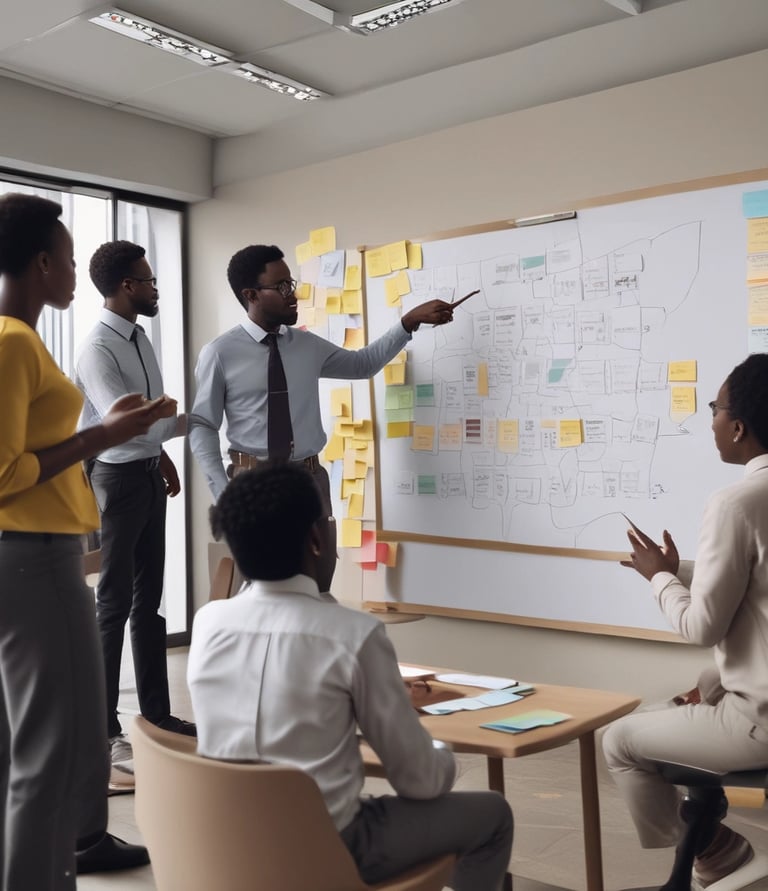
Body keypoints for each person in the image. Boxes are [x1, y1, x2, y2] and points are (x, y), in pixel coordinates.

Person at [187, 463, 513, 890]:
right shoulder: (353, 634)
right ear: (317, 540)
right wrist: (437, 745)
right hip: (327, 849)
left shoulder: (209, 623)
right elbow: (420, 782)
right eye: (326, 520)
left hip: (226, 843)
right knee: (493, 815)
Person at [0, 194, 176, 888]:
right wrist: (106, 434)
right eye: (70, 261)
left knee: (27, 747)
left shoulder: (21, 338)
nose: (77, 273)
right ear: (42, 263)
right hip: (34, 554)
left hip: (30, 551)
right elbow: (6, 470)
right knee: (59, 751)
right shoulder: (14, 340)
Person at [602, 353, 768, 889]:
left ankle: (715, 851)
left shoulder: (736, 502)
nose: (711, 420)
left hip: (762, 722)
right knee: (701, 686)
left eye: (715, 409)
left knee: (620, 740)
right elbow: (753, 581)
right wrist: (679, 570)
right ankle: (710, 828)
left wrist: (658, 579)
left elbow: (701, 628)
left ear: (738, 427)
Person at [189, 243, 459, 506]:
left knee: (320, 554)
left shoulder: (307, 345)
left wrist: (408, 321)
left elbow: (362, 364)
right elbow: (202, 425)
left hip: (309, 480)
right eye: (281, 287)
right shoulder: (219, 353)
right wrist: (222, 493)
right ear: (251, 295)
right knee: (263, 554)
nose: (293, 295)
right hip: (251, 482)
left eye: (291, 285)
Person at [74, 240, 195, 781]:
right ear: (127, 287)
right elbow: (127, 418)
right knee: (114, 604)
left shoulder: (140, 337)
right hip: (117, 481)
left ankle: (157, 715)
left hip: (145, 473)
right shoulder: (98, 348)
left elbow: (149, 419)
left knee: (151, 601)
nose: (154, 288)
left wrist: (163, 450)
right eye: (147, 281)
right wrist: (178, 420)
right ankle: (103, 732)